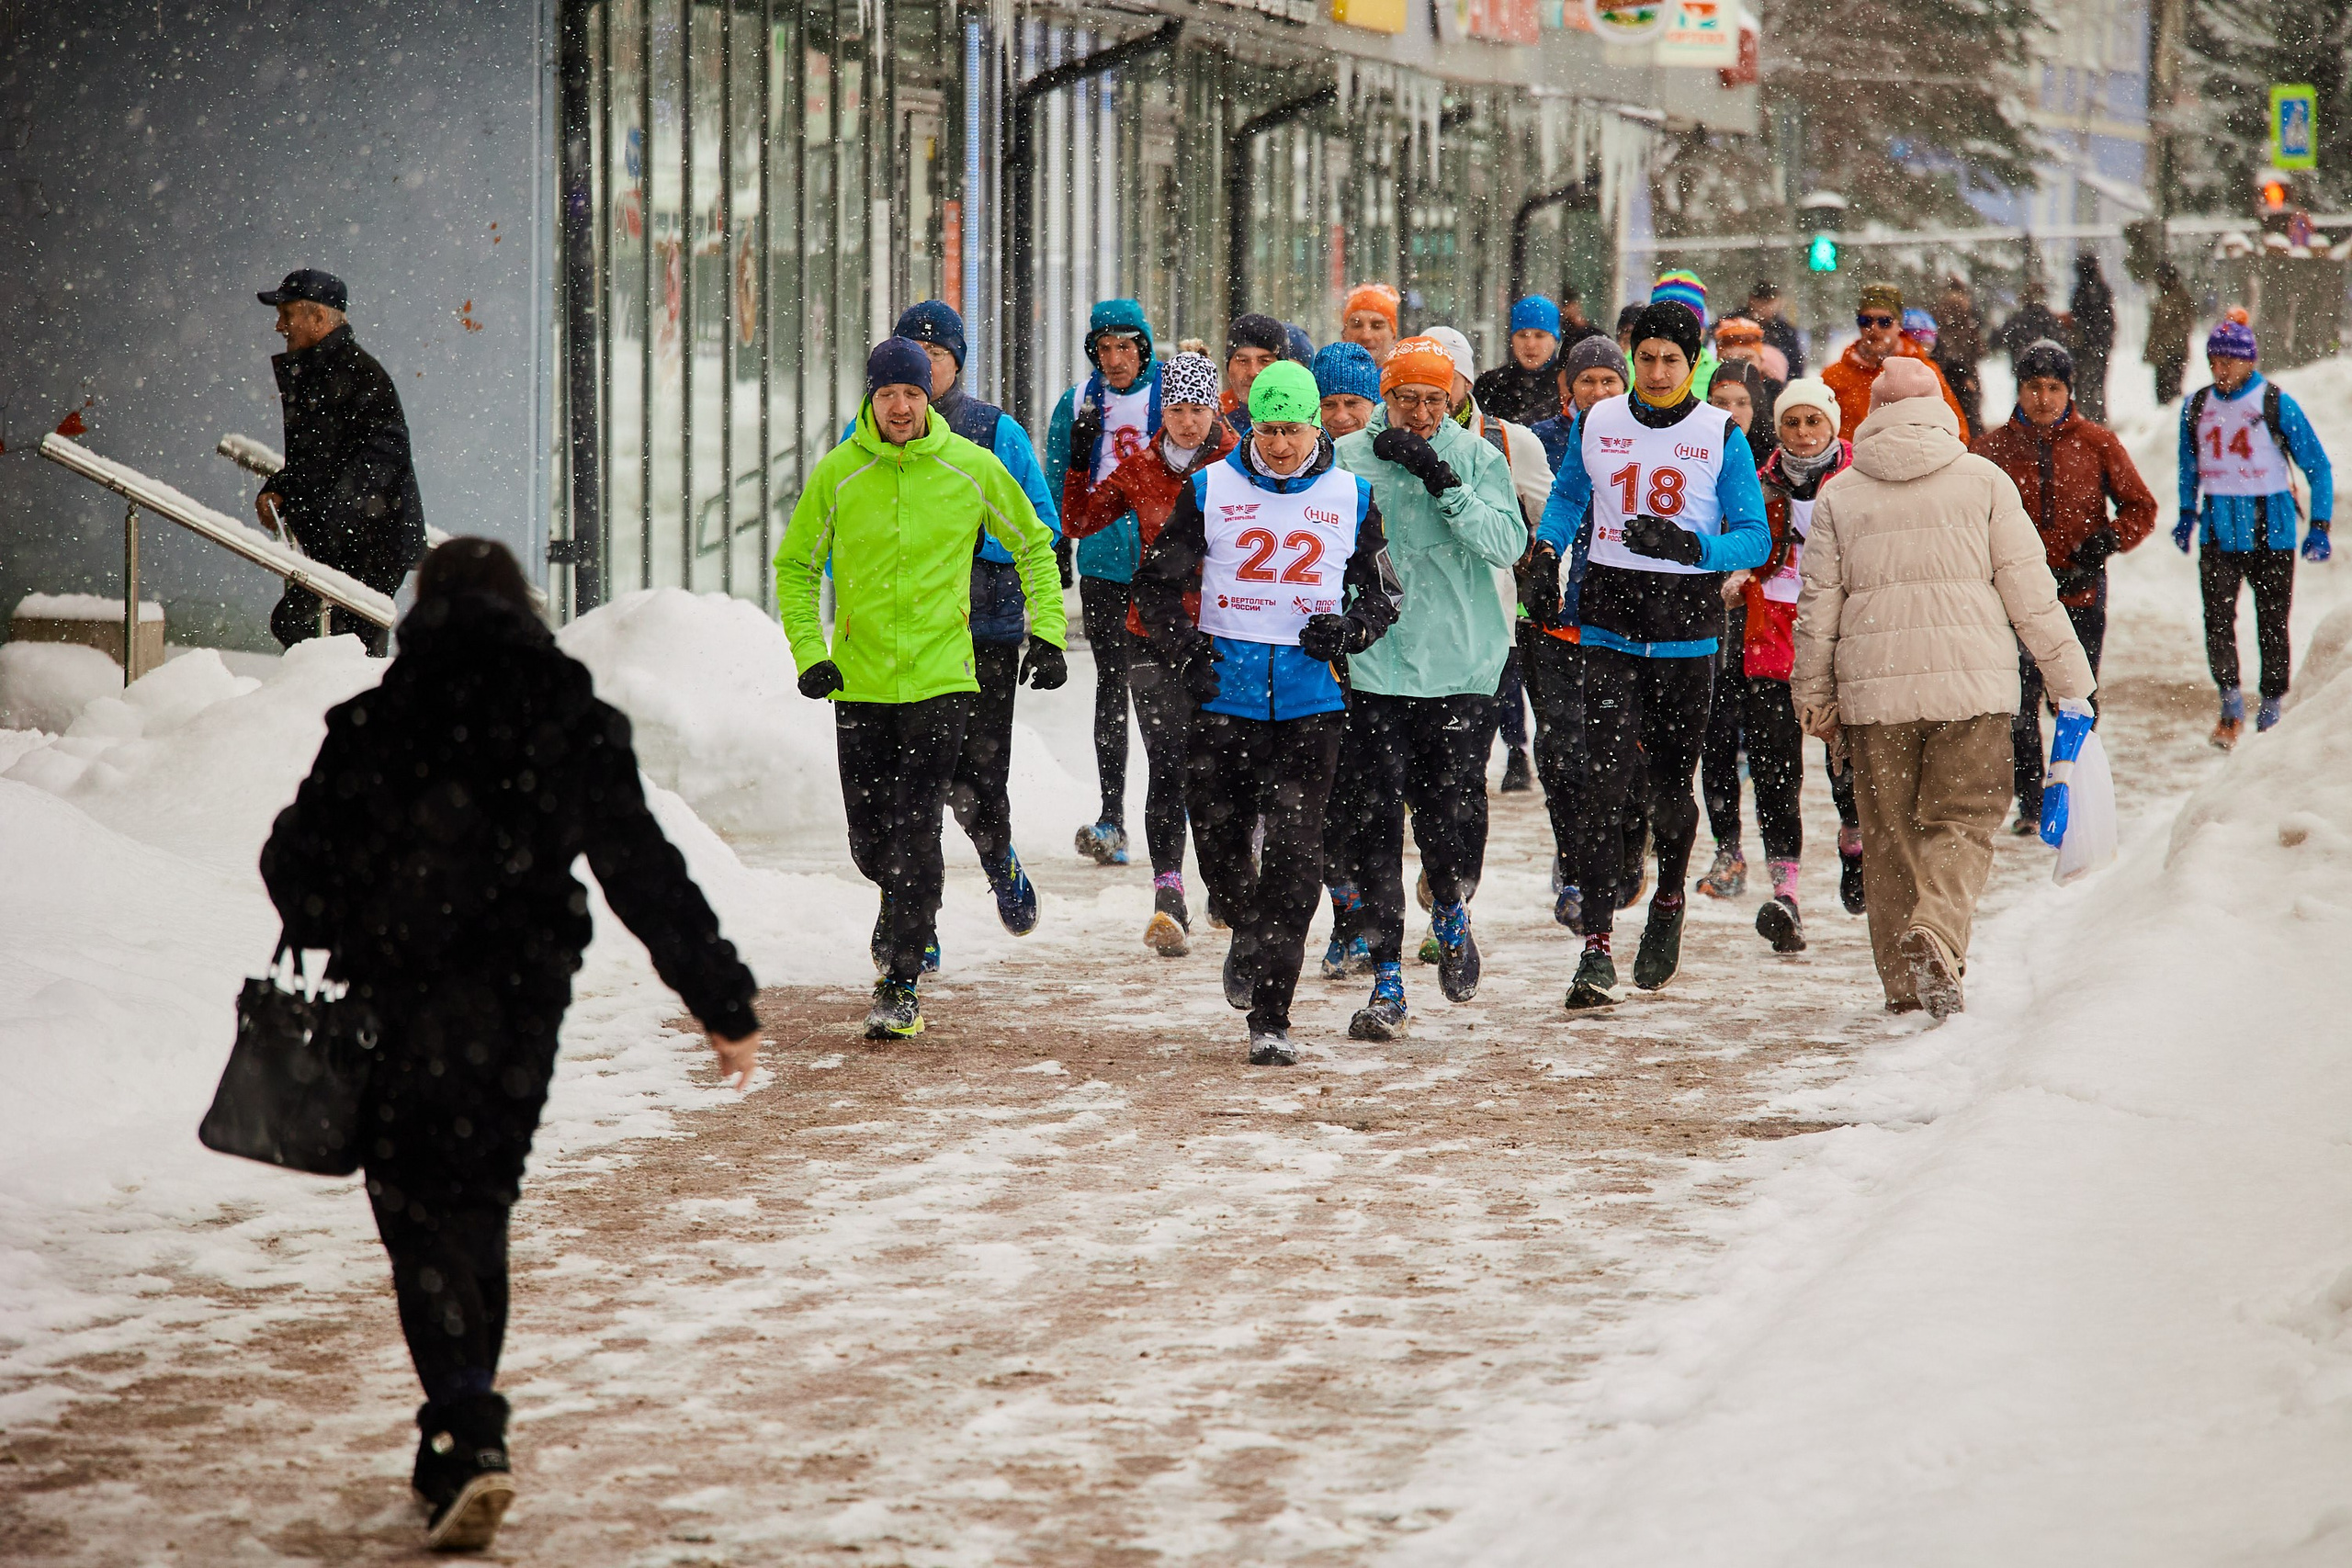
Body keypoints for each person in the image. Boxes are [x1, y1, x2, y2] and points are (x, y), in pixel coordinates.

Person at [259, 538, 761, 1551]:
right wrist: (721, 998)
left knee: (416, 1211)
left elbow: (293, 859)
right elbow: (641, 866)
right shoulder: (566, 716)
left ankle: (466, 1424)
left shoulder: (375, 720)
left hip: (396, 996)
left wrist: (352, 911)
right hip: (520, 1000)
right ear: (522, 610)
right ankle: (461, 1425)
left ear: (424, 613)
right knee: (477, 1202)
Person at [777, 339, 1066, 1039]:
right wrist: (812, 652)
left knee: (914, 826)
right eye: (887, 395)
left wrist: (1049, 630)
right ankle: (906, 907)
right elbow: (794, 567)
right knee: (870, 839)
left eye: (911, 392)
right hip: (862, 680)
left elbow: (1033, 541)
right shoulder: (840, 475)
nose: (900, 406)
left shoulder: (970, 468)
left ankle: (902, 976)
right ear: (870, 400)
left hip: (943, 677)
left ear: (927, 395)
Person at [1791, 356, 2095, 1019]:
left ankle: (1905, 984)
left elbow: (1818, 604)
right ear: (1941, 410)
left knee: (1890, 834)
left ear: (1872, 414)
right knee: (1963, 820)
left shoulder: (1841, 493)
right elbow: (2031, 593)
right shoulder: (1982, 480)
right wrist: (2071, 681)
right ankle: (1939, 929)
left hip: (1876, 697)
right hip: (1972, 690)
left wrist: (1812, 693)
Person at [1134, 361, 1401, 1066]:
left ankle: (1272, 1013)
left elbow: (1385, 597)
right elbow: (1155, 587)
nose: (1279, 444)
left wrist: (1349, 632)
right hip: (1224, 698)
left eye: (1293, 429)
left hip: (1312, 706)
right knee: (1221, 851)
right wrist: (1185, 650)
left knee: (1295, 854)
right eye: (1267, 428)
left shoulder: (1351, 495)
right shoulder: (1210, 487)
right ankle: (1245, 929)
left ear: (1318, 427)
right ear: (1248, 424)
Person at [1530, 299, 1771, 1010]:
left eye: (1672, 359)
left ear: (1692, 362)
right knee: (1603, 784)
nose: (1658, 371)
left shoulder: (1718, 432)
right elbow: (1571, 492)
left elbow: (1755, 538)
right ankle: (1596, 948)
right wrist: (1546, 550)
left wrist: (1694, 548)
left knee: (1670, 784)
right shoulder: (1599, 420)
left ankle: (1668, 901)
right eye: (1648, 358)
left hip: (1685, 631)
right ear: (1632, 358)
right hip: (1607, 622)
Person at [1329, 337, 1527, 1039]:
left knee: (1445, 818)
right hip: (1377, 665)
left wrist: (1443, 481)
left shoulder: (1477, 458)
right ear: (1384, 396)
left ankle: (1448, 905)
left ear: (1455, 400)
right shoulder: (1348, 458)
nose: (1416, 413)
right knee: (1374, 822)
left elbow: (1508, 545)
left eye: (1432, 400)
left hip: (1461, 663)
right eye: (1403, 398)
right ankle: (1387, 979)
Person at [861, 302, 1060, 936]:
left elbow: (1040, 526)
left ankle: (998, 857)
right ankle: (912, 922)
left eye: (936, 358)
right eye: (909, 358)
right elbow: (838, 533)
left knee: (975, 777)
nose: (922, 372)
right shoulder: (863, 435)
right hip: (899, 641)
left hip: (982, 634)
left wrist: (971, 543)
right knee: (902, 797)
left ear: (956, 364)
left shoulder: (993, 430)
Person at [1061, 352, 1236, 955]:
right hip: (1153, 631)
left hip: (1223, 632)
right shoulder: (1140, 467)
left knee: (1220, 767)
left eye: (1199, 409)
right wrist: (1083, 456)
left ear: (1216, 408)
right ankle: (1168, 894)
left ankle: (1227, 879)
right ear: (1164, 409)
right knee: (1166, 762)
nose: (1188, 423)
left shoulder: (1242, 461)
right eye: (1178, 409)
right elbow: (1080, 519)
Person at [1972, 339, 2156, 827]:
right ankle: (2032, 805)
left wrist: (2107, 540)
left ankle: (2072, 793)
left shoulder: (2097, 443)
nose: (2044, 398)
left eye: (2054, 387)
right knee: (2017, 703)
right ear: (2019, 388)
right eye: (2034, 386)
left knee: (2076, 701)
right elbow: (1965, 516)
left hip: (2080, 592)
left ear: (2069, 390)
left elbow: (2142, 507)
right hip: (2012, 599)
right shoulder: (1989, 449)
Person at [1713, 378, 1860, 952]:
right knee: (1776, 770)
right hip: (1769, 634)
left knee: (1845, 761)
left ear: (1832, 425)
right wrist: (1735, 573)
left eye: (1813, 422)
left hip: (1840, 635)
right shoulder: (1756, 479)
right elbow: (1739, 540)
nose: (1802, 434)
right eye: (1792, 423)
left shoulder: (1857, 480)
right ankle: (1786, 894)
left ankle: (1855, 845)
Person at [2173, 320, 2335, 747]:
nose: (2221, 369)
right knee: (2218, 620)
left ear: (2250, 362)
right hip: (2219, 531)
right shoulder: (2196, 407)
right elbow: (2189, 466)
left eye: (2230, 360)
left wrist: (2319, 525)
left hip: (2273, 530)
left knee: (2272, 622)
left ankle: (2271, 708)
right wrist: (2187, 513)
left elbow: (2317, 465)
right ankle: (2229, 704)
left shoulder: (2275, 403)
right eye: (2215, 360)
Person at [1044, 299, 1162, 867]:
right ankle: (1112, 815)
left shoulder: (1173, 396)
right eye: (1105, 348)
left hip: (1169, 566)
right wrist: (1056, 546)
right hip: (1105, 563)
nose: (1116, 359)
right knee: (1113, 684)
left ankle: (1179, 810)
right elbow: (1053, 478)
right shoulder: (1077, 404)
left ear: (1144, 347)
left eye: (1126, 346)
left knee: (1169, 690)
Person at [254, 269, 426, 655]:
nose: (280, 326)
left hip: (367, 542)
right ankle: (349, 701)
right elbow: (315, 460)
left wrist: (329, 519)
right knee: (334, 638)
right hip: (354, 538)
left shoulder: (357, 374)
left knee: (317, 631)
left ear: (319, 317)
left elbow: (381, 460)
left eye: (287, 314)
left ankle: (353, 703)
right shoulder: (324, 370)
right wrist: (281, 488)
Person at [1520, 333, 1627, 931]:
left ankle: (1607, 855)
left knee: (1613, 749)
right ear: (1568, 386)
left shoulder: (1643, 441)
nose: (1597, 390)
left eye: (1608, 380)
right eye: (1586, 380)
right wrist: (1535, 564)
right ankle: (1573, 860)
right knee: (1562, 750)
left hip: (1622, 621)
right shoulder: (1542, 439)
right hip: (1554, 620)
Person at [1426, 325, 1555, 800]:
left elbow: (1551, 518)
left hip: (1487, 623)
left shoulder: (1508, 440)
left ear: (1467, 381)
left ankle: (1452, 871)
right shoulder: (1385, 442)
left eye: (1445, 376)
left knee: (1464, 769)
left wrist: (1548, 578)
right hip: (1414, 622)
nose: (1432, 389)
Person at [1691, 355, 1780, 904]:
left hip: (1768, 625)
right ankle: (1729, 850)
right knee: (1716, 740)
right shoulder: (1694, 453)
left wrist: (1749, 571)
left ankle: (1784, 866)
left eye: (1741, 402)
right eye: (1720, 401)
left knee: (1773, 750)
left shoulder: (1778, 461)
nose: (1731, 412)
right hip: (1709, 619)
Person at [1821, 282, 1967, 439]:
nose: (1874, 328)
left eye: (1885, 321)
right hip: (1855, 462)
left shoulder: (1924, 371)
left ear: (1899, 325)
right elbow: (1821, 437)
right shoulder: (1834, 376)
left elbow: (1957, 431)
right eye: (1866, 321)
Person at [1472, 295, 1566, 425]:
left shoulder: (1568, 385)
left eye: (1540, 336)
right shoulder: (1490, 384)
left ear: (1555, 339)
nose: (1530, 344)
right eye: (1522, 335)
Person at [1219, 312, 1289, 441]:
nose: (1253, 372)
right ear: (1228, 368)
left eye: (1264, 361)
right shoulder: (1208, 419)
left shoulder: (1304, 420)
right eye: (1243, 361)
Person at [1933, 276, 1987, 439]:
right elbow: (1979, 349)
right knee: (1970, 412)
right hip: (1967, 370)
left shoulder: (1941, 307)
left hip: (1944, 371)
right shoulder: (1967, 310)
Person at [2068, 252, 2116, 423]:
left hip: (2090, 348)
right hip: (2092, 347)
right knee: (2091, 386)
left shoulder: (2091, 291)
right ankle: (2092, 419)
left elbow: (2097, 321)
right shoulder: (2095, 290)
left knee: (2089, 386)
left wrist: (2082, 332)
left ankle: (2091, 420)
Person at [2145, 263, 2196, 405]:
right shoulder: (2165, 298)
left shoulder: (2181, 298)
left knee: (2171, 394)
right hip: (2163, 355)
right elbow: (2156, 327)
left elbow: (2185, 326)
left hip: (2174, 353)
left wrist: (2166, 343)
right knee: (2162, 393)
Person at [1313, 340, 1383, 437]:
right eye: (1328, 405)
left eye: (1352, 404)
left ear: (1374, 406)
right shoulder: (1300, 450)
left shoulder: (1393, 449)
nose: (1340, 417)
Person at [1737, 280, 1804, 378]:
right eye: (1761, 302)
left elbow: (1795, 364)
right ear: (1751, 301)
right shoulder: (1734, 323)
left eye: (1769, 302)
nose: (1764, 308)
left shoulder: (1785, 330)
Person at [1341, 283, 1402, 361]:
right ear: (1344, 334)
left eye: (1377, 326)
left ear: (1393, 335)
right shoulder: (1325, 372)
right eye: (1357, 326)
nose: (1366, 336)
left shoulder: (1408, 372)